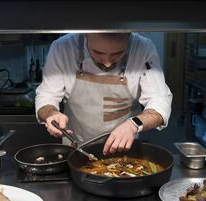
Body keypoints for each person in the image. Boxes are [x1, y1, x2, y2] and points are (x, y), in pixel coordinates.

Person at [35, 32, 172, 155]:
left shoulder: (143, 48)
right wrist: (51, 113)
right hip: (76, 148)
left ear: (128, 37)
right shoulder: (62, 48)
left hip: (124, 148)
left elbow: (160, 101)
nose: (107, 63)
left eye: (117, 54)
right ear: (86, 36)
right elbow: (46, 95)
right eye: (97, 53)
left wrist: (133, 125)